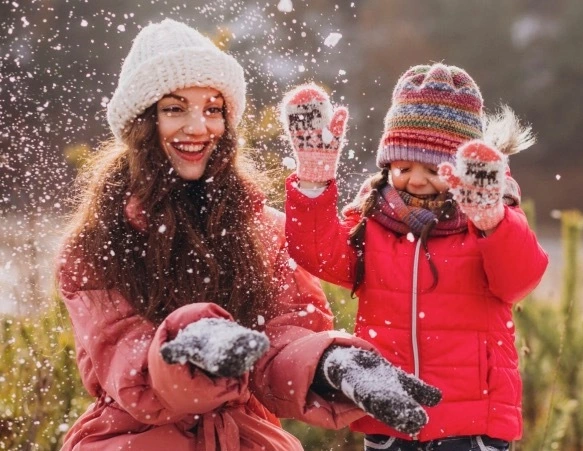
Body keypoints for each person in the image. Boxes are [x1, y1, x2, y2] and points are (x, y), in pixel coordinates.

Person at [57, 19, 440, 451]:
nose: (199, 127)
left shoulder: (260, 229)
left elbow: (280, 339)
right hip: (131, 439)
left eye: (213, 109)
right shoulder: (94, 244)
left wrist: (329, 363)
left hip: (245, 438)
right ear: (142, 123)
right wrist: (190, 346)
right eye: (175, 108)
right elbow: (128, 366)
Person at [281, 64, 549, 450]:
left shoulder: (489, 220)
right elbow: (318, 254)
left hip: (473, 426)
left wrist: (491, 222)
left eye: (433, 170)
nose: (416, 180)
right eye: (403, 167)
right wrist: (313, 182)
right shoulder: (373, 220)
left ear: (463, 171)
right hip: (390, 416)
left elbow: (519, 279)